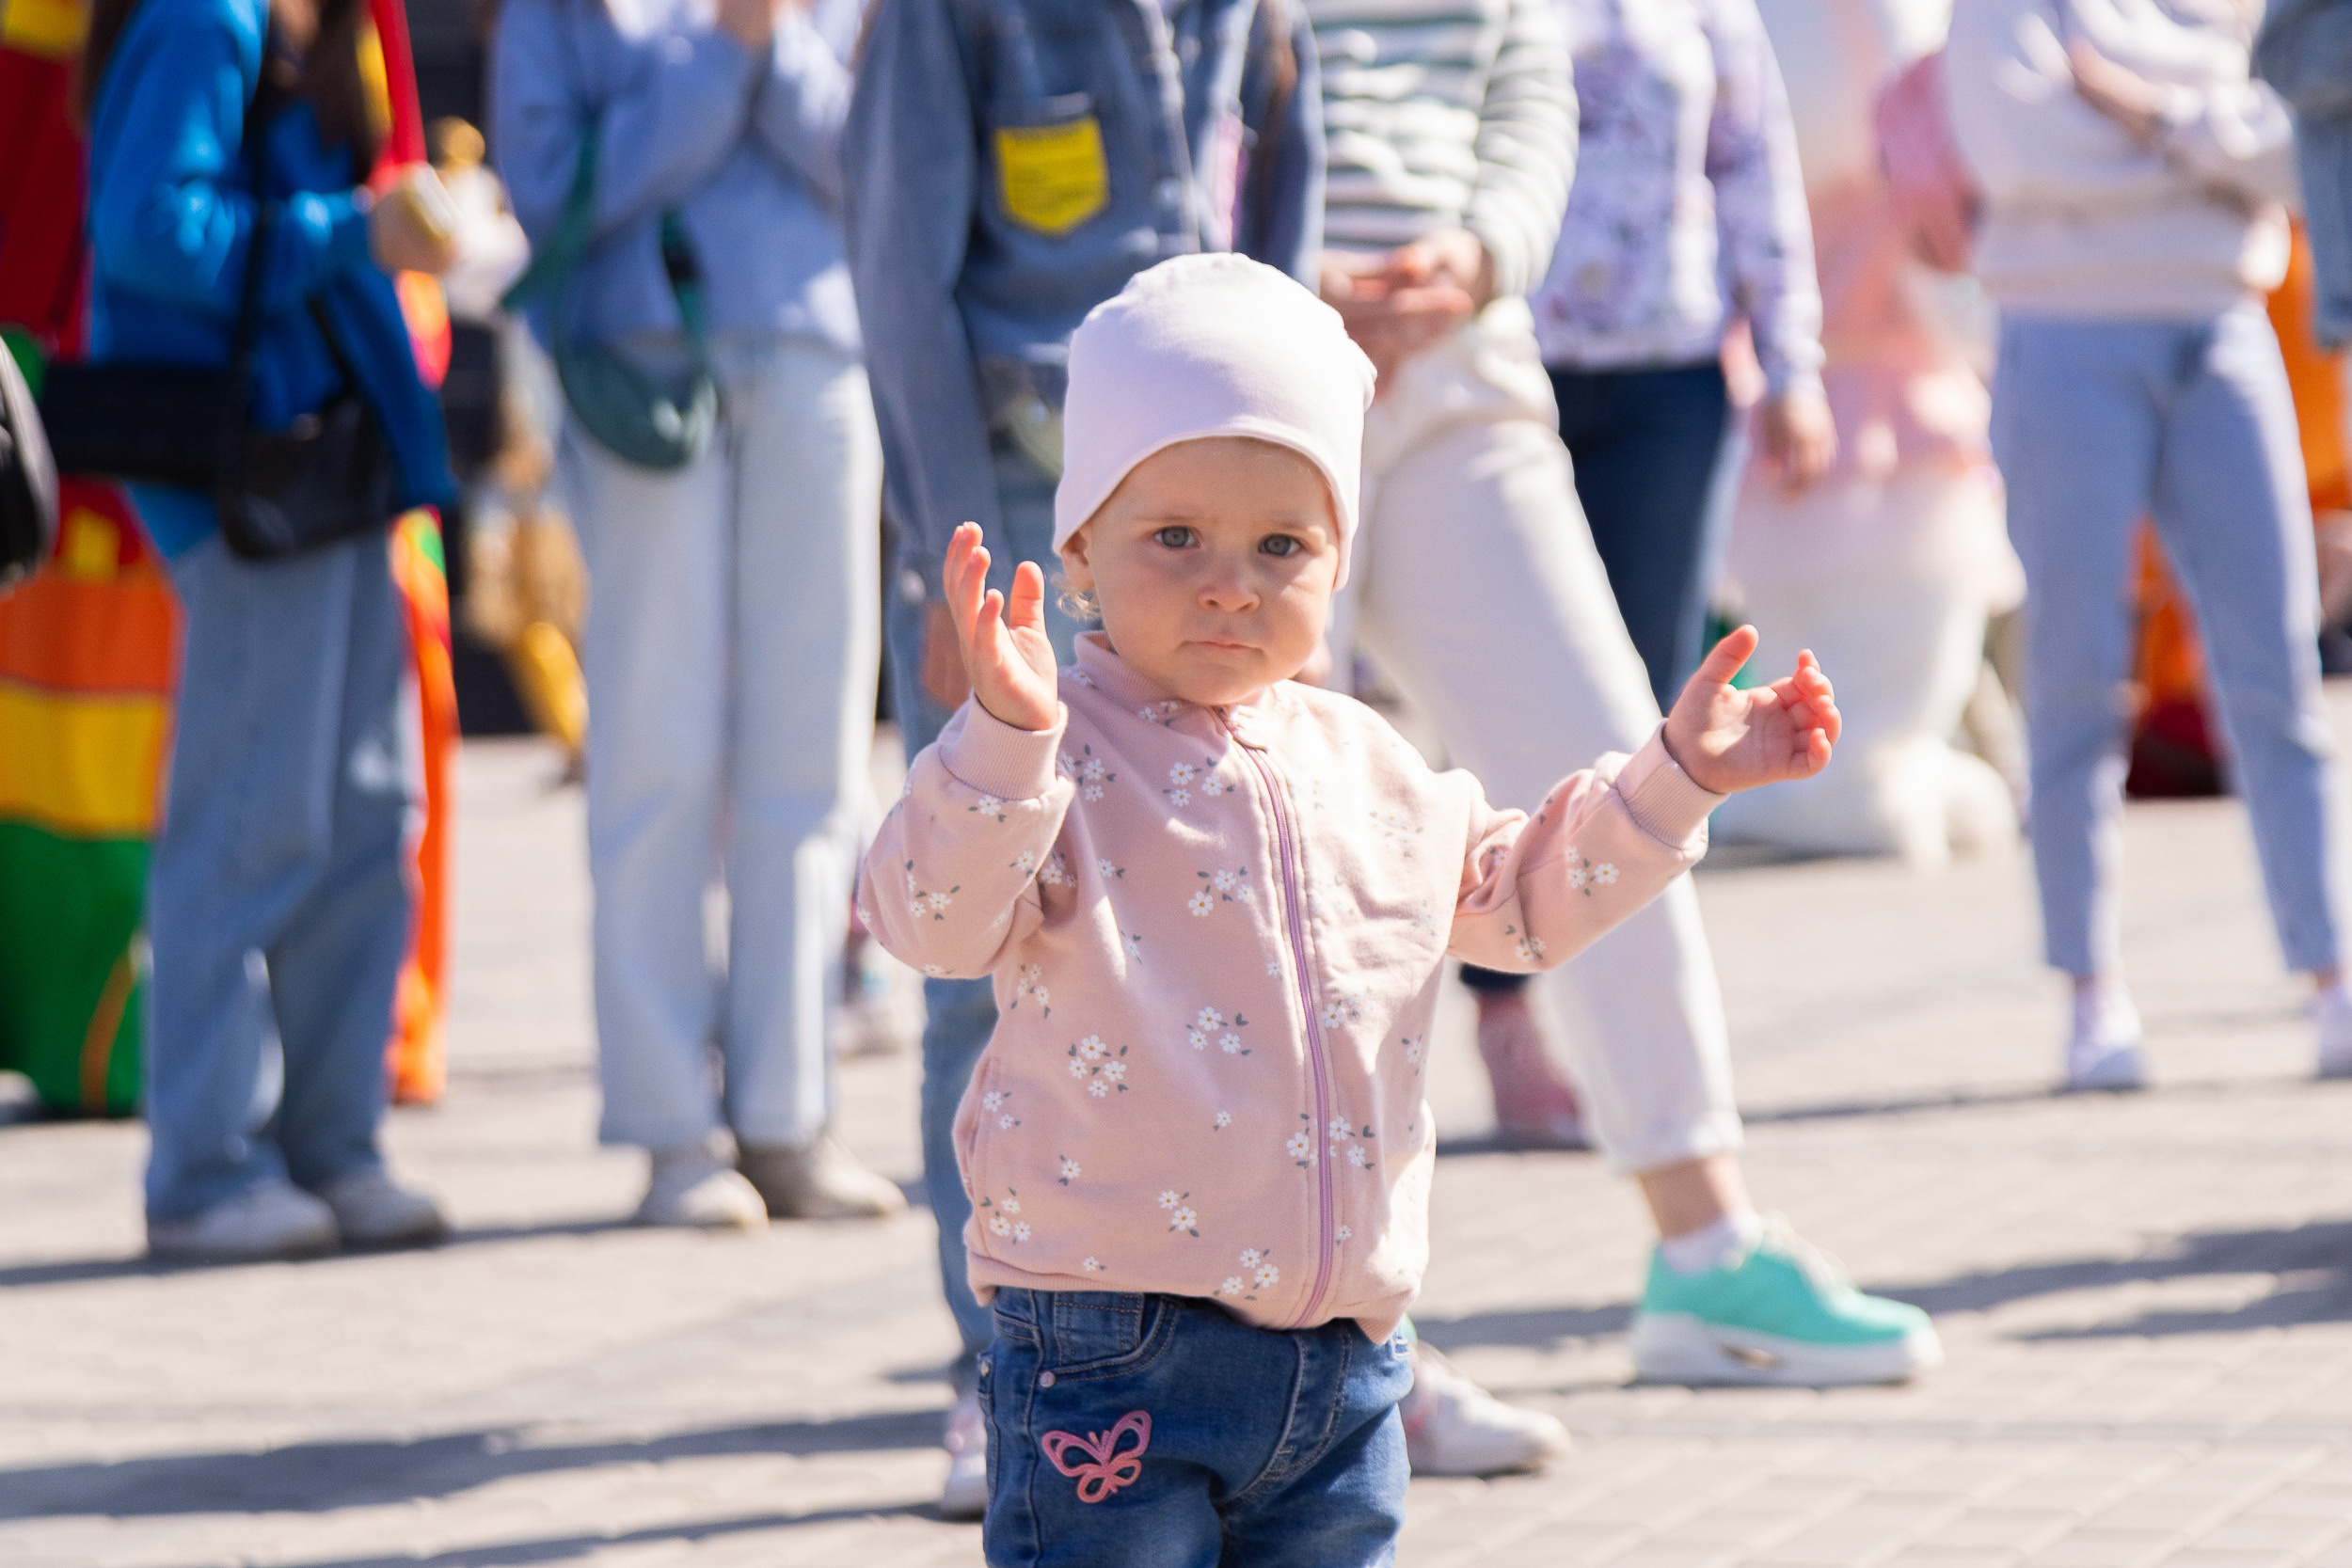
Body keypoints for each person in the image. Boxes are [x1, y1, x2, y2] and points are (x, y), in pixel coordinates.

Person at [858, 254, 1851, 1564]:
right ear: (1083, 543)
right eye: (1177, 537)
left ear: (1340, 559)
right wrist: (996, 737)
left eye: (1283, 543)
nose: (1231, 581)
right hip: (1108, 1348)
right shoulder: (1053, 752)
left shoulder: (1365, 758)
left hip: (1345, 1361)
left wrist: (1677, 778)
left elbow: (1521, 905)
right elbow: (929, 918)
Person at [1311, 0, 1942, 1394]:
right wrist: (1287, 293)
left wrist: (1478, 257)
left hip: (1465, 361)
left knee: (1616, 764)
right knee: (1265, 838)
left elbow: (1526, 91)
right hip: (1264, 373)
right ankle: (1313, 1338)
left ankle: (1709, 1257)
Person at [842, 0, 1321, 1513]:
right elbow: (898, 270)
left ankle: (1257, 1350)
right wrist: (941, 550)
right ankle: (1007, 1365)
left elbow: (1283, 213)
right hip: (1016, 500)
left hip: (1224, 537)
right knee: (1000, 922)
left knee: (1234, 906)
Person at [494, 0, 906, 1227]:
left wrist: (770, 49)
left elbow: (868, 159)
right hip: (638, 370)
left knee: (812, 749)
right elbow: (554, 189)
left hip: (819, 364)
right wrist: (725, 55)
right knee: (651, 744)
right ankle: (672, 1125)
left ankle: (791, 1114)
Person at [80, 0, 458, 1258]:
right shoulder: (206, 15)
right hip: (243, 473)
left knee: (367, 810)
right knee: (254, 815)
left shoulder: (305, 20)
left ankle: (328, 1145)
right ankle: (204, 1166)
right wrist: (353, 231)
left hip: (325, 463)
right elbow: (144, 230)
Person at [1947, 0, 2352, 1088]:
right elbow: (2020, 151)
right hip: (2062, 339)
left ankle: (2328, 976)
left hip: (2225, 332)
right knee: (2077, 680)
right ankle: (2090, 991)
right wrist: (2203, 140)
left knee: (2277, 677)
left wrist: (2141, 113)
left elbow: (2295, 146)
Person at [1713, 0, 2023, 865]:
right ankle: (1864, 781)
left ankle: (1871, 775)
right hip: (1882, 405)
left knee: (1862, 656)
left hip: (1820, 417)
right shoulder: (1885, 171)